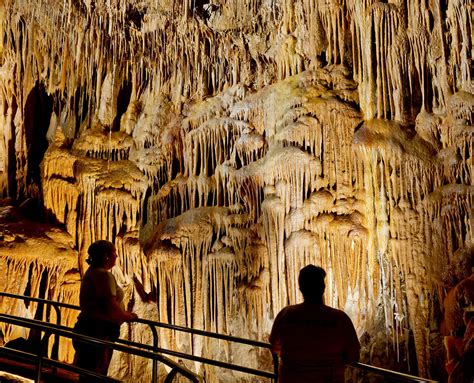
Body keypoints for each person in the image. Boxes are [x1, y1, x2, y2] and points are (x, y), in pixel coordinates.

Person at [269, 265, 360, 383]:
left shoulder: (285, 315)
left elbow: (274, 346)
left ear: (301, 288)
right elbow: (353, 357)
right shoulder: (340, 319)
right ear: (323, 288)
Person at [73, 240, 138, 382]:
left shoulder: (92, 272)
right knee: (95, 374)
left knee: (88, 374)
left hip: (89, 328)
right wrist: (129, 316)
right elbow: (110, 307)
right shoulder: (103, 275)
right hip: (99, 331)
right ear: (106, 256)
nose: (117, 256)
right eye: (114, 253)